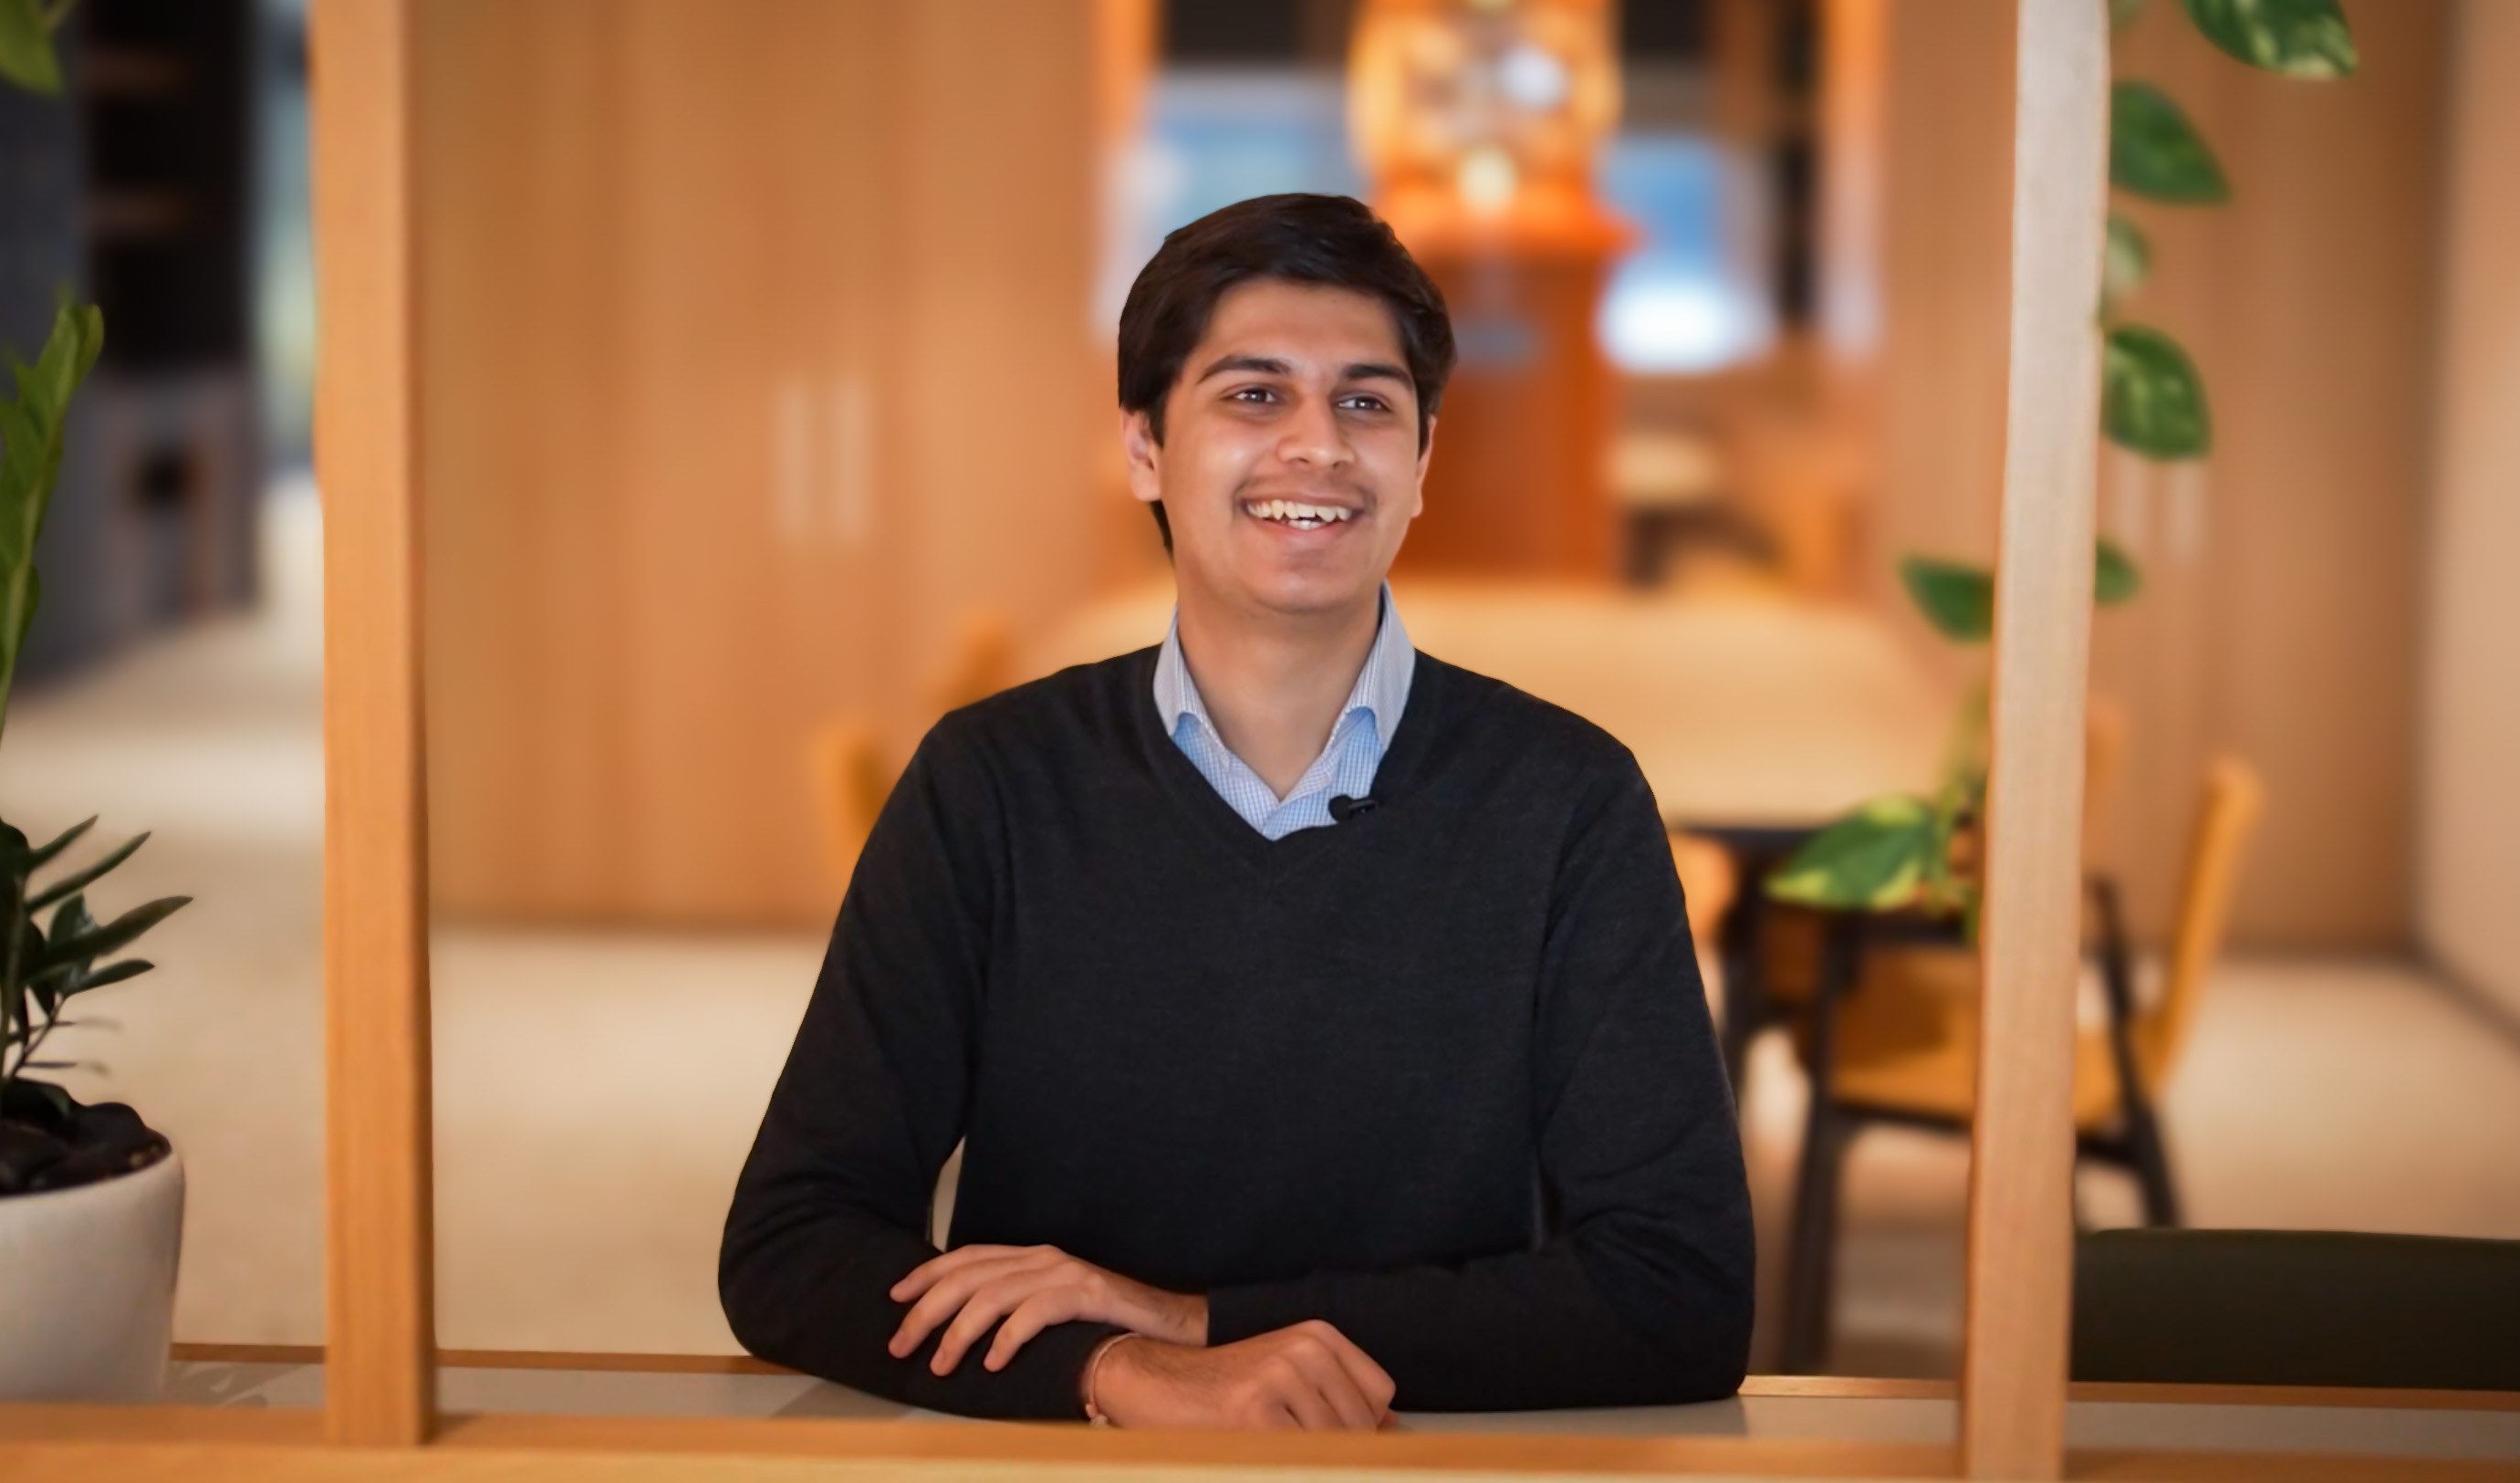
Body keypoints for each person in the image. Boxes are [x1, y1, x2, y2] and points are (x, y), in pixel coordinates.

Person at [718, 193, 1753, 1427]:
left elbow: (1677, 1294)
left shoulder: (1567, 800)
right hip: (1075, 1459)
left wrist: (1186, 1322)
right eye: (1252, 394)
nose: (1315, 445)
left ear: (1419, 465)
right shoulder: (991, 785)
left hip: (1416, 1461)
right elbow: (791, 1246)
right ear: (1146, 448)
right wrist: (1113, 1370)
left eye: (1366, 402)